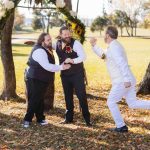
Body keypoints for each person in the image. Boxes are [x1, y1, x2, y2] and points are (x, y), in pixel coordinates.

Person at [90, 26, 150, 132]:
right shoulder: (113, 46)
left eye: (105, 34)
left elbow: (122, 63)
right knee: (132, 103)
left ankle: (121, 126)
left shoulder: (114, 47)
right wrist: (94, 45)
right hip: (127, 79)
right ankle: (121, 125)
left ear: (108, 35)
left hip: (123, 81)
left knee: (111, 102)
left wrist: (126, 79)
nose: (104, 36)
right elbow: (104, 55)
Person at [23, 33, 71, 128]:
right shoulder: (40, 51)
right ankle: (27, 119)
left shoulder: (45, 48)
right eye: (48, 40)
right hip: (35, 78)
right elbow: (47, 66)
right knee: (34, 99)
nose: (50, 41)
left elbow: (57, 46)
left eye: (50, 39)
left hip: (40, 78)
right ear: (42, 41)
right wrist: (62, 67)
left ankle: (40, 118)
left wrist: (63, 40)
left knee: (40, 98)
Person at [53, 26, 92, 126]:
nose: (67, 36)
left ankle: (87, 119)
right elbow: (47, 44)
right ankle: (68, 118)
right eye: (65, 34)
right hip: (65, 75)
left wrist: (72, 60)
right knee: (68, 96)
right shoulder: (56, 43)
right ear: (61, 35)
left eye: (69, 33)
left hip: (77, 74)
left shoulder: (76, 43)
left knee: (81, 96)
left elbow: (83, 56)